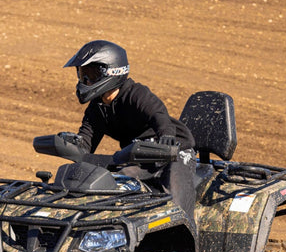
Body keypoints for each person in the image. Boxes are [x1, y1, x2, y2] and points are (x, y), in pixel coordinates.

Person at [62, 40, 197, 220]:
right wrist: (70, 145)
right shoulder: (97, 108)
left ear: (112, 71)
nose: (85, 81)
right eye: (82, 75)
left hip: (174, 151)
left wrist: (166, 135)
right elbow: (86, 143)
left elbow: (158, 113)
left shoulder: (134, 93)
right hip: (140, 158)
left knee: (175, 193)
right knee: (117, 183)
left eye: (91, 75)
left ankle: (183, 240)